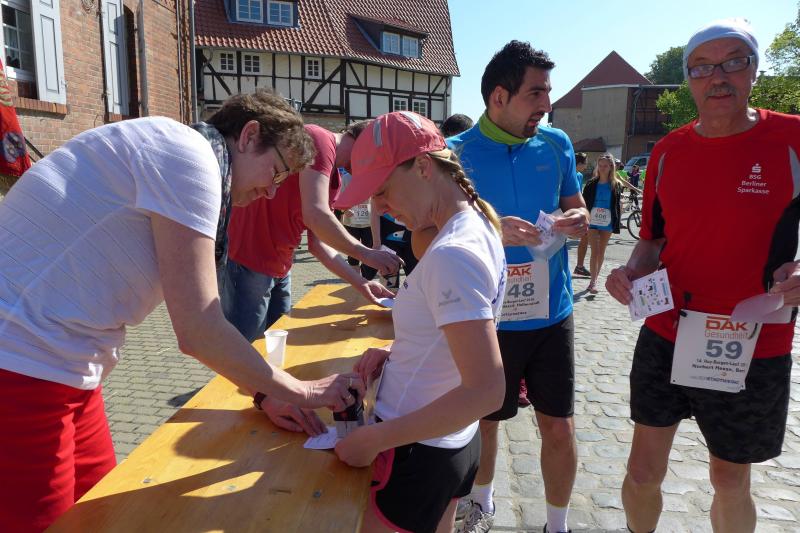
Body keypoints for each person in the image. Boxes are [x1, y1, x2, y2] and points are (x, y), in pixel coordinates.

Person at [0, 89, 366, 532]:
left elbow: (200, 321)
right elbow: (198, 329)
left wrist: (265, 393)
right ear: (249, 136)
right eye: (275, 172)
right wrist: (301, 390)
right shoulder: (188, 157)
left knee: (102, 514)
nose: (272, 192)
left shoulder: (186, 152)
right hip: (22, 362)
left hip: (67, 361)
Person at [605, 18, 800, 533]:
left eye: (733, 62)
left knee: (729, 479)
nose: (718, 77)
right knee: (642, 470)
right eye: (702, 67)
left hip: (752, 339)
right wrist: (628, 273)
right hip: (668, 330)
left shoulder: (792, 138)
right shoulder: (668, 151)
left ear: (754, 70)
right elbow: (652, 240)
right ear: (687, 79)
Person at [332, 111, 507, 533]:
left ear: (424, 167)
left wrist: (374, 439)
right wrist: (396, 352)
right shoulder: (477, 223)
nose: (379, 207)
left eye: (383, 190)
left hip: (415, 451)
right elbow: (451, 340)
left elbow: (486, 390)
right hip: (447, 443)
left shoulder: (452, 253)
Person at [449, 41, 588, 533]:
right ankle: (481, 502)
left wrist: (577, 218)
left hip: (552, 312)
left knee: (559, 426)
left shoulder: (557, 143)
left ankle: (557, 526)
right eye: (536, 93)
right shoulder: (454, 153)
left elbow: (577, 206)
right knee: (485, 420)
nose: (547, 104)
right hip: (488, 316)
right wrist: (491, 228)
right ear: (499, 97)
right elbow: (427, 235)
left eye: (548, 92)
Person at [222, 121, 394, 341]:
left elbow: (318, 244)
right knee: (247, 347)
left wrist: (362, 284)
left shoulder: (334, 179)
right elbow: (315, 213)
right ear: (362, 145)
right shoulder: (320, 139)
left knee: (276, 345)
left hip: (280, 266)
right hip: (249, 260)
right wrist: (366, 253)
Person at [583, 153, 623, 294]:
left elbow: (616, 205)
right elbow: (584, 203)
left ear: (611, 166)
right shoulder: (591, 184)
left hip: (607, 222)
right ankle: (592, 283)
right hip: (592, 221)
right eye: (600, 165)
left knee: (601, 251)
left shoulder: (615, 185)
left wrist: (617, 220)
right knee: (594, 251)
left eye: (605, 166)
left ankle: (595, 278)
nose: (602, 168)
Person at [573, 152, 591, 277]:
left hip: (577, 209)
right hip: (567, 210)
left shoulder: (579, 175)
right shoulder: (569, 174)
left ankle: (579, 266)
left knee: (585, 236)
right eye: (585, 164)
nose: (586, 166)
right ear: (579, 163)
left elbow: (579, 193)